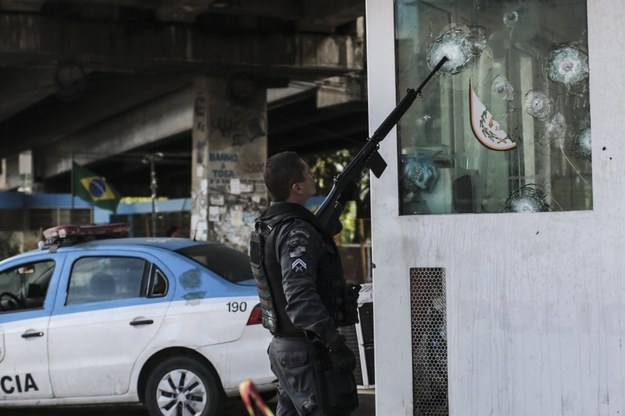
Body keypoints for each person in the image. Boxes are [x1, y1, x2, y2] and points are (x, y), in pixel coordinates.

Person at [249, 151, 360, 416]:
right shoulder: (296, 231)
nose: (313, 175)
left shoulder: (268, 226)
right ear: (296, 187)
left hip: (287, 350)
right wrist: (335, 343)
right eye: (308, 172)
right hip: (307, 352)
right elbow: (300, 297)